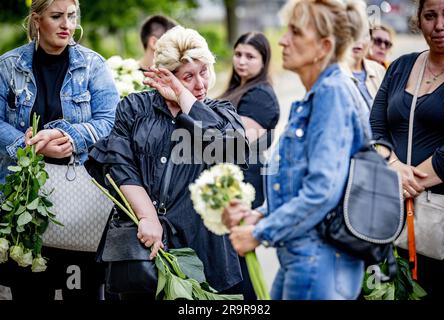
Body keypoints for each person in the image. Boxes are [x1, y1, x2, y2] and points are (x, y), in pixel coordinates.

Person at [85, 25, 249, 300]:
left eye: (204, 71)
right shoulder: (134, 109)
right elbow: (120, 166)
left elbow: (231, 150)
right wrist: (148, 217)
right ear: (165, 75)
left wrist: (185, 98)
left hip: (203, 252)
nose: (200, 84)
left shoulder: (222, 113)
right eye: (188, 76)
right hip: (144, 245)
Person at [222, 0, 370, 300]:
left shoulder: (332, 93)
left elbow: (322, 190)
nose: (282, 40)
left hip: (319, 261)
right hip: (301, 258)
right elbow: (297, 185)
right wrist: (258, 215)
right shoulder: (317, 94)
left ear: (323, 46)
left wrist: (259, 233)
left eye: (295, 32)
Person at [0, 0, 119, 300]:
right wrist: (27, 146)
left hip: (78, 199)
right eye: (57, 16)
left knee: (84, 289)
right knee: (26, 288)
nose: (67, 24)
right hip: (20, 198)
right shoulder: (8, 66)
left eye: (71, 15)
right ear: (37, 20)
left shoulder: (93, 65)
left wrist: (66, 136)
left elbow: (111, 120)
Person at [370, 0, 444, 299]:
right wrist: (392, 166)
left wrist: (410, 181)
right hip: (391, 209)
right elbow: (374, 127)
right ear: (418, 20)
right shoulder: (401, 66)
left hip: (442, 215)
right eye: (430, 16)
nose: (439, 25)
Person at [218, 31, 280, 300]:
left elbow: (236, 143)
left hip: (246, 186)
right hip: (229, 183)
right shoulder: (234, 89)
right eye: (238, 54)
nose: (241, 61)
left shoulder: (261, 95)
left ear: (263, 61)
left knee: (239, 263)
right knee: (229, 260)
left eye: (250, 56)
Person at [349, 30, 386, 110]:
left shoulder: (379, 70)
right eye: (353, 33)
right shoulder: (333, 73)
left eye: (364, 35)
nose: (358, 40)